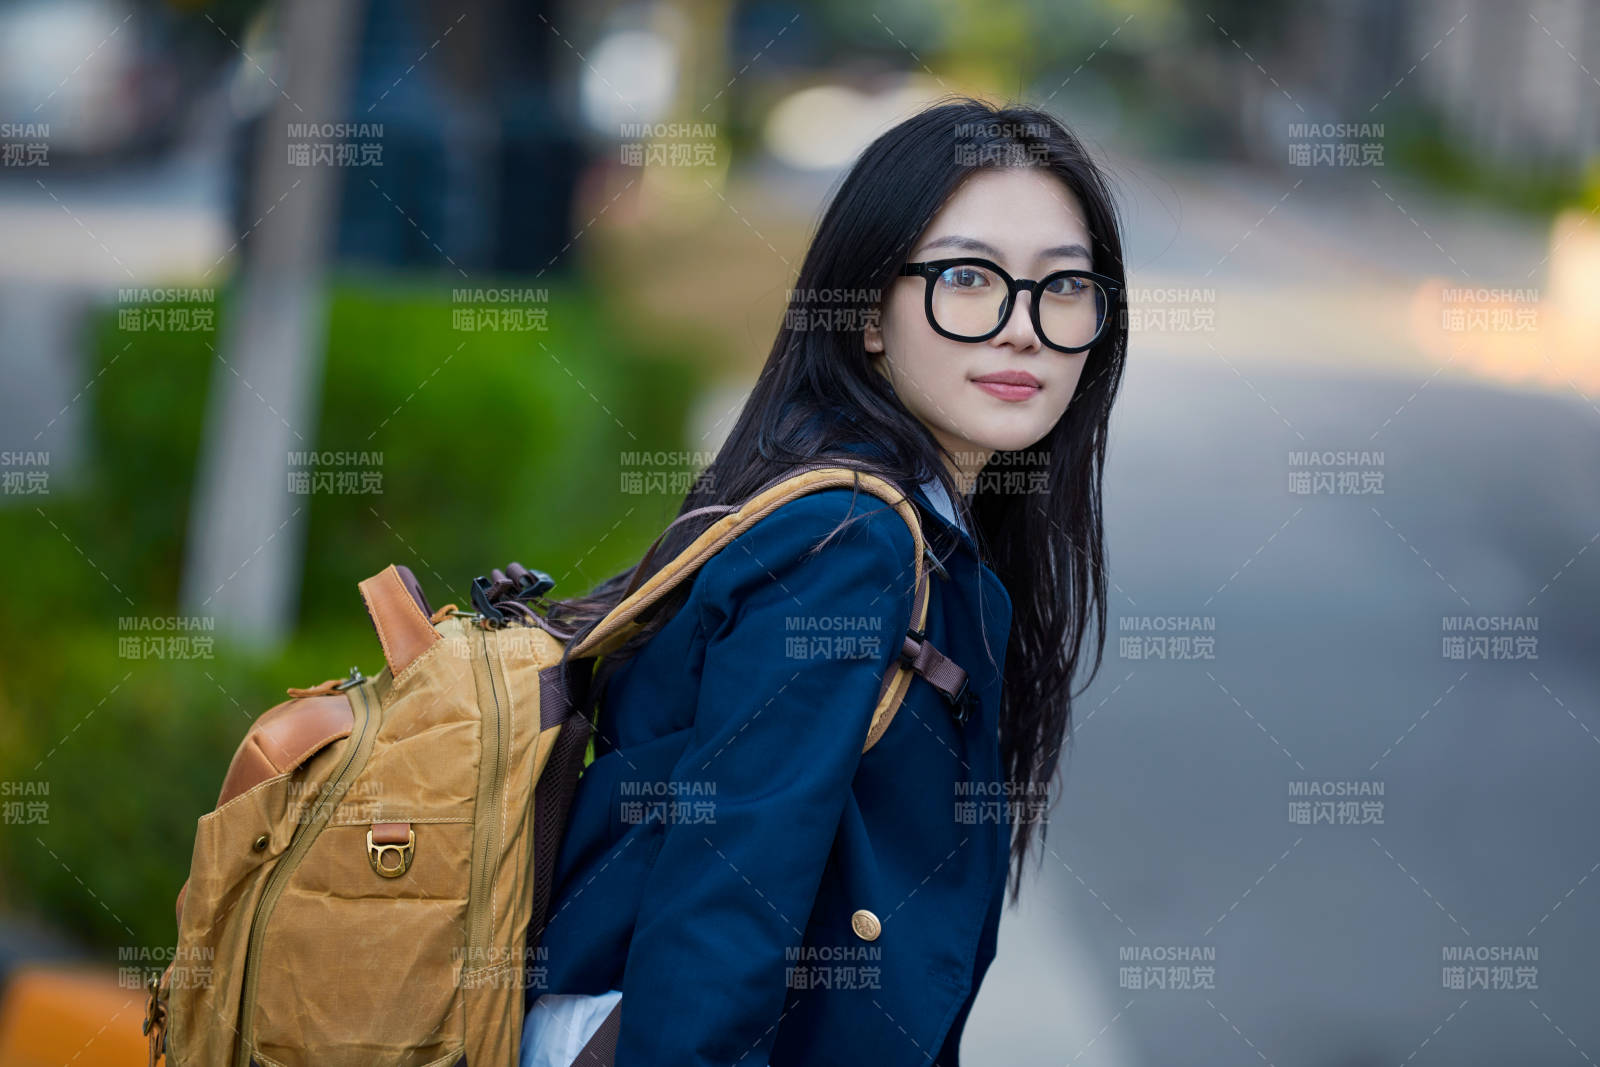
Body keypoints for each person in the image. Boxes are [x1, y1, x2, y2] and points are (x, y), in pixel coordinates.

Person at [523, 94, 1128, 1066]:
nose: (1023, 327)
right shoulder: (848, 540)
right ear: (869, 314)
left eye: (1063, 287)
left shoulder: (900, 521)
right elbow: (723, 908)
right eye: (968, 277)